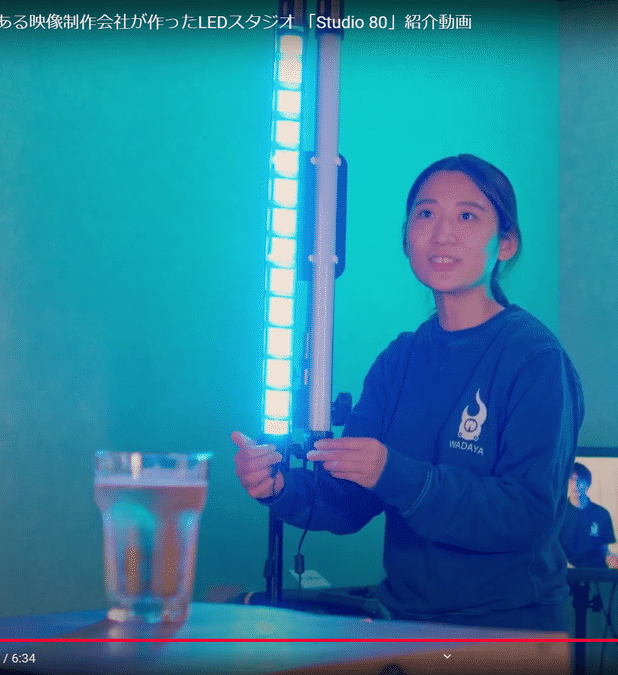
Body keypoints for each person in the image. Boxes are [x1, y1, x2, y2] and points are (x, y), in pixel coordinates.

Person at [233, 154, 585, 631]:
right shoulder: (399, 360)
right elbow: (349, 501)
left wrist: (395, 472)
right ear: (406, 238)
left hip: (508, 630)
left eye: (467, 215)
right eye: (426, 214)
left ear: (506, 243)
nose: (442, 234)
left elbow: (527, 513)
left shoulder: (535, 358)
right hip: (404, 625)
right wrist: (279, 488)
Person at [559, 462, 618, 569]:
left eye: (580, 480)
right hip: (568, 573)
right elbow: (553, 550)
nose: (575, 485)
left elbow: (604, 550)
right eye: (571, 479)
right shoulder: (558, 513)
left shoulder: (602, 513)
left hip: (596, 572)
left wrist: (612, 560)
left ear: (588, 484)